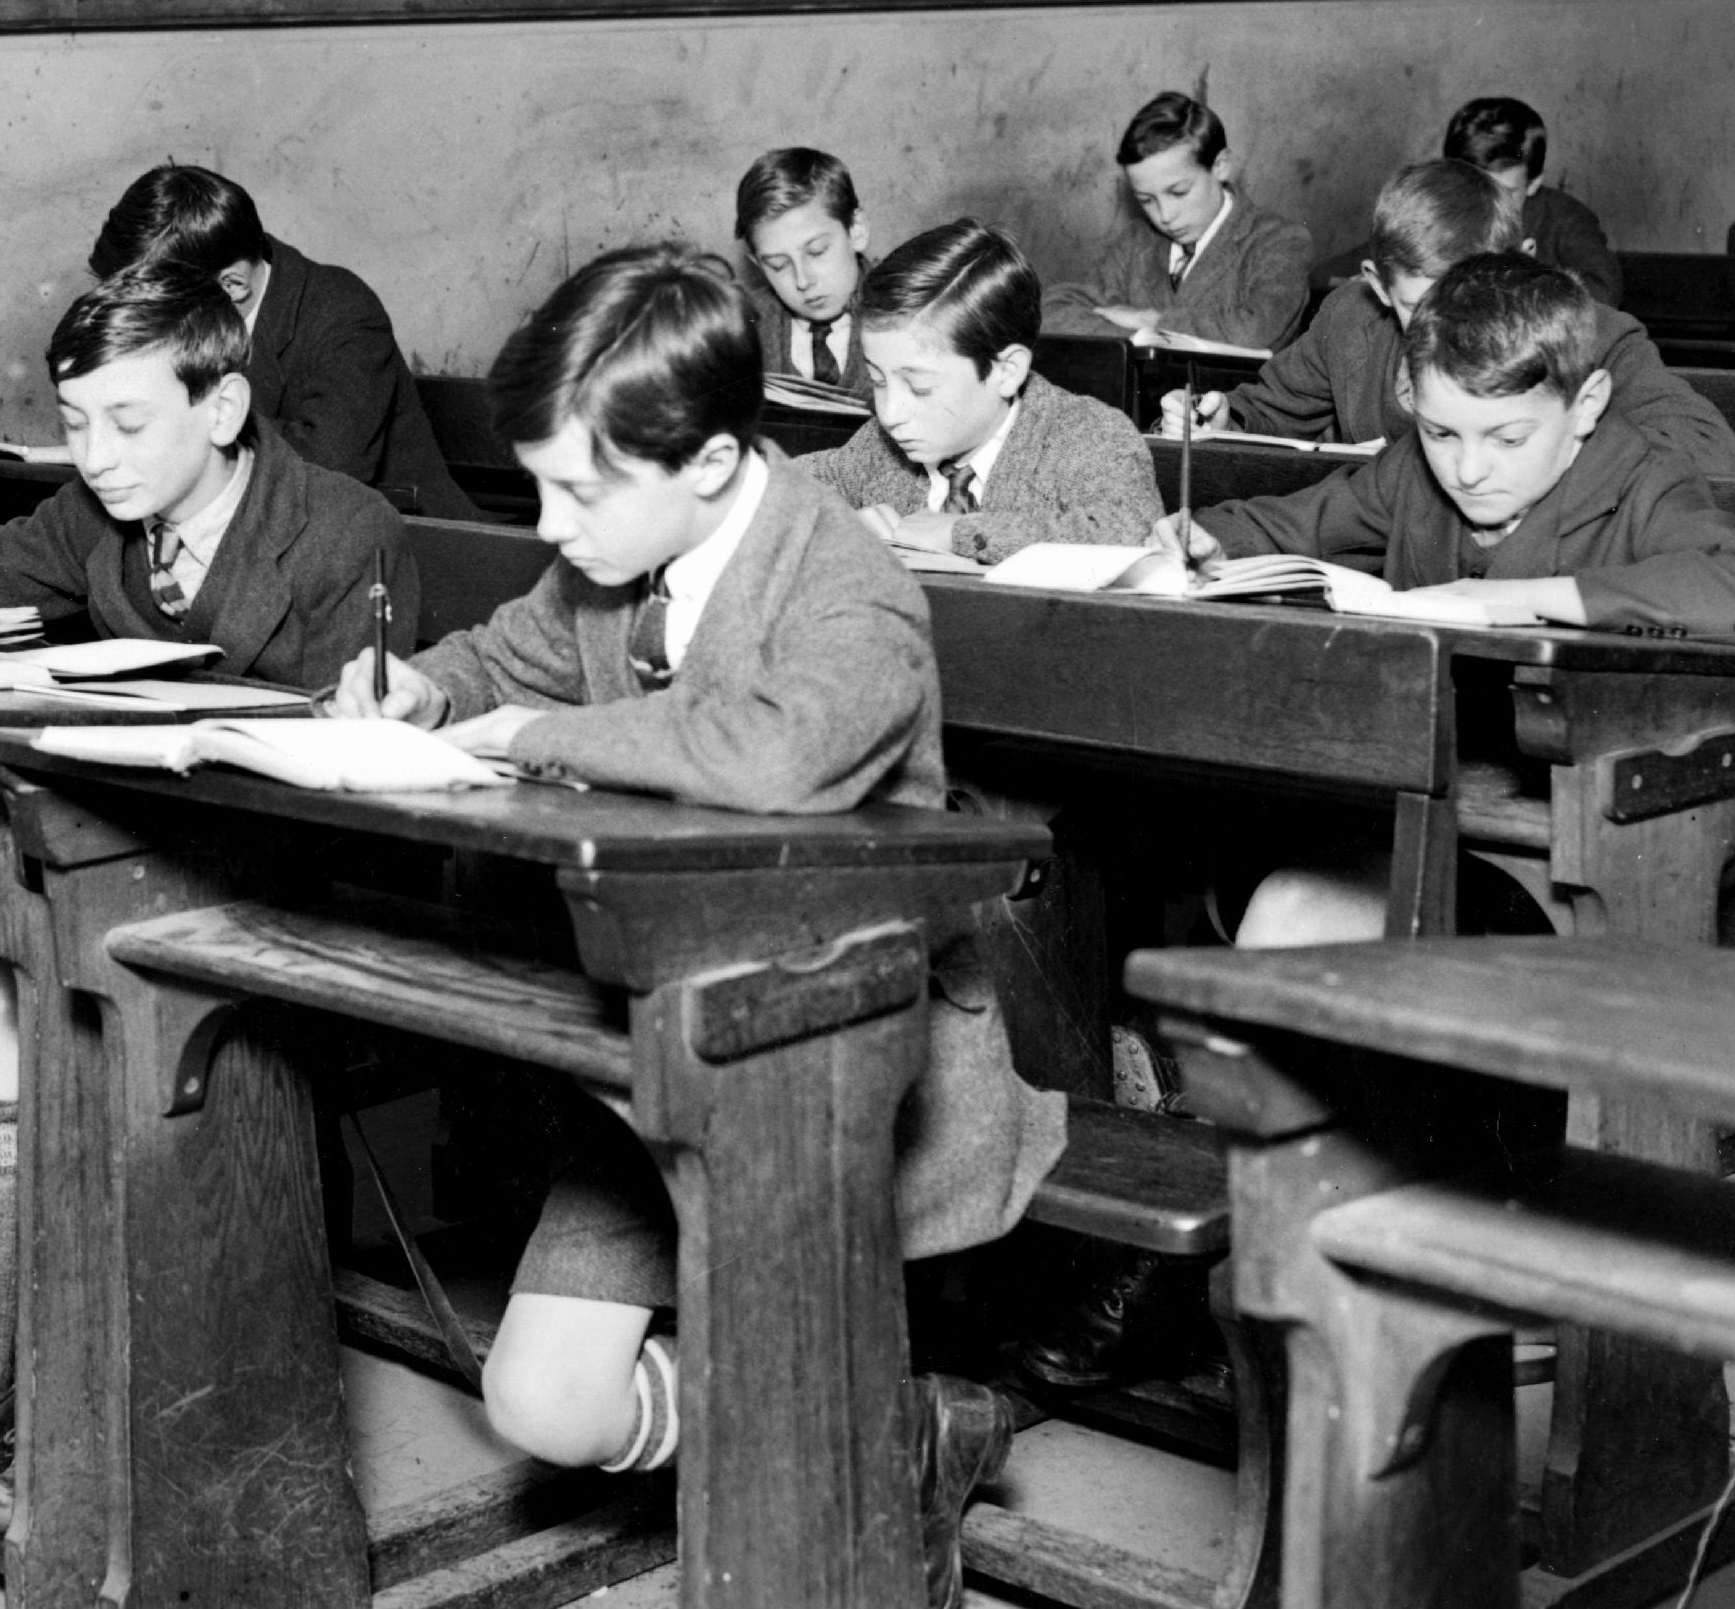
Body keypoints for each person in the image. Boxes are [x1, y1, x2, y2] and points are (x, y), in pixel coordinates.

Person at [324, 244, 1061, 1609]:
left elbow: (775, 754)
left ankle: (862, 1436)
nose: (548, 521)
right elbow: (502, 650)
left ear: (713, 460)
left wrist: (533, 736)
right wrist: (422, 690)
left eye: (575, 488)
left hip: (854, 1060)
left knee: (779, 1435)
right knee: (545, 1404)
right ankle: (899, 1424)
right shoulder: (620, 552)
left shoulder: (846, 586)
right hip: (662, 1048)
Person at [0, 264, 415, 1523]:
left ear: (226, 406)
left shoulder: (343, 530)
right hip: (139, 871)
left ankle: (124, 1407)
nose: (99, 455)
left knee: (41, 996)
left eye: (128, 424)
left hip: (309, 898)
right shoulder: (104, 512)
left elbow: (363, 792)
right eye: (76, 424)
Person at [1158, 251, 1735, 949]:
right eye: (1441, 432)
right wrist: (1203, 537)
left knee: (1289, 918)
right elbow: (1294, 522)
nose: (1467, 470)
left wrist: (1513, 598)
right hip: (1418, 806)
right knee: (1243, 877)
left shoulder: (1642, 480)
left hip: (1570, 849)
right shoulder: (1414, 471)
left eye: (1506, 437)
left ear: (1585, 403)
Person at [1175, 159, 1735, 475]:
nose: (1447, 330)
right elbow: (1268, 412)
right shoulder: (1352, 318)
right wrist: (1223, 421)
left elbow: (1710, 450)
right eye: (1418, 307)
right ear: (1376, 283)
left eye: (1473, 298)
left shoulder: (1593, 332)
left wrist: (1535, 443)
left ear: (1521, 265)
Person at [90, 162, 478, 517]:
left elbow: (329, 466)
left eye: (157, 307)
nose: (141, 325)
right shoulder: (195, 313)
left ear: (233, 285)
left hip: (413, 544)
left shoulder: (342, 309)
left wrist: (178, 423)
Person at [810, 220, 1161, 564]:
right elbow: (776, 484)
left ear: (1006, 372)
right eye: (878, 380)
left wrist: (960, 533)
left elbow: (1128, 530)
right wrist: (837, 525)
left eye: (920, 388)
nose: (889, 413)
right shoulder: (879, 448)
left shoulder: (1087, 436)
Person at [1043, 92, 1310, 351]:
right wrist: (1142, 338)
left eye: (1178, 192)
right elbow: (1053, 309)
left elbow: (1258, 332)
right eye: (1146, 200)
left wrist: (1149, 321)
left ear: (1221, 166)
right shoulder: (1138, 242)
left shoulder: (1278, 240)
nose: (1165, 216)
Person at [1446, 95, 1623, 308]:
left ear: (1533, 183)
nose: (1488, 203)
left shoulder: (1566, 219)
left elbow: (1604, 294)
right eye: (1472, 186)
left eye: (1505, 193)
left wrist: (1526, 277)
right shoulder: (1440, 212)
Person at [735, 145, 870, 390]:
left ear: (856, 230)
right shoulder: (742, 332)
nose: (803, 281)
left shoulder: (915, 314)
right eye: (778, 265)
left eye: (817, 251)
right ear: (757, 265)